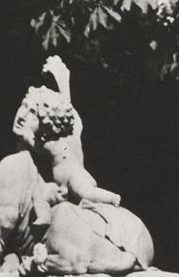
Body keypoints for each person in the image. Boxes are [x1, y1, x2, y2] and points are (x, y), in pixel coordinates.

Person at [12, 55, 122, 209]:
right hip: (66, 181)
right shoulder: (63, 134)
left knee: (85, 192)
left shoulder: (51, 141)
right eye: (24, 107)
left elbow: (34, 143)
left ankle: (111, 198)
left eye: (33, 114)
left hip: (74, 177)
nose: (23, 116)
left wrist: (24, 136)